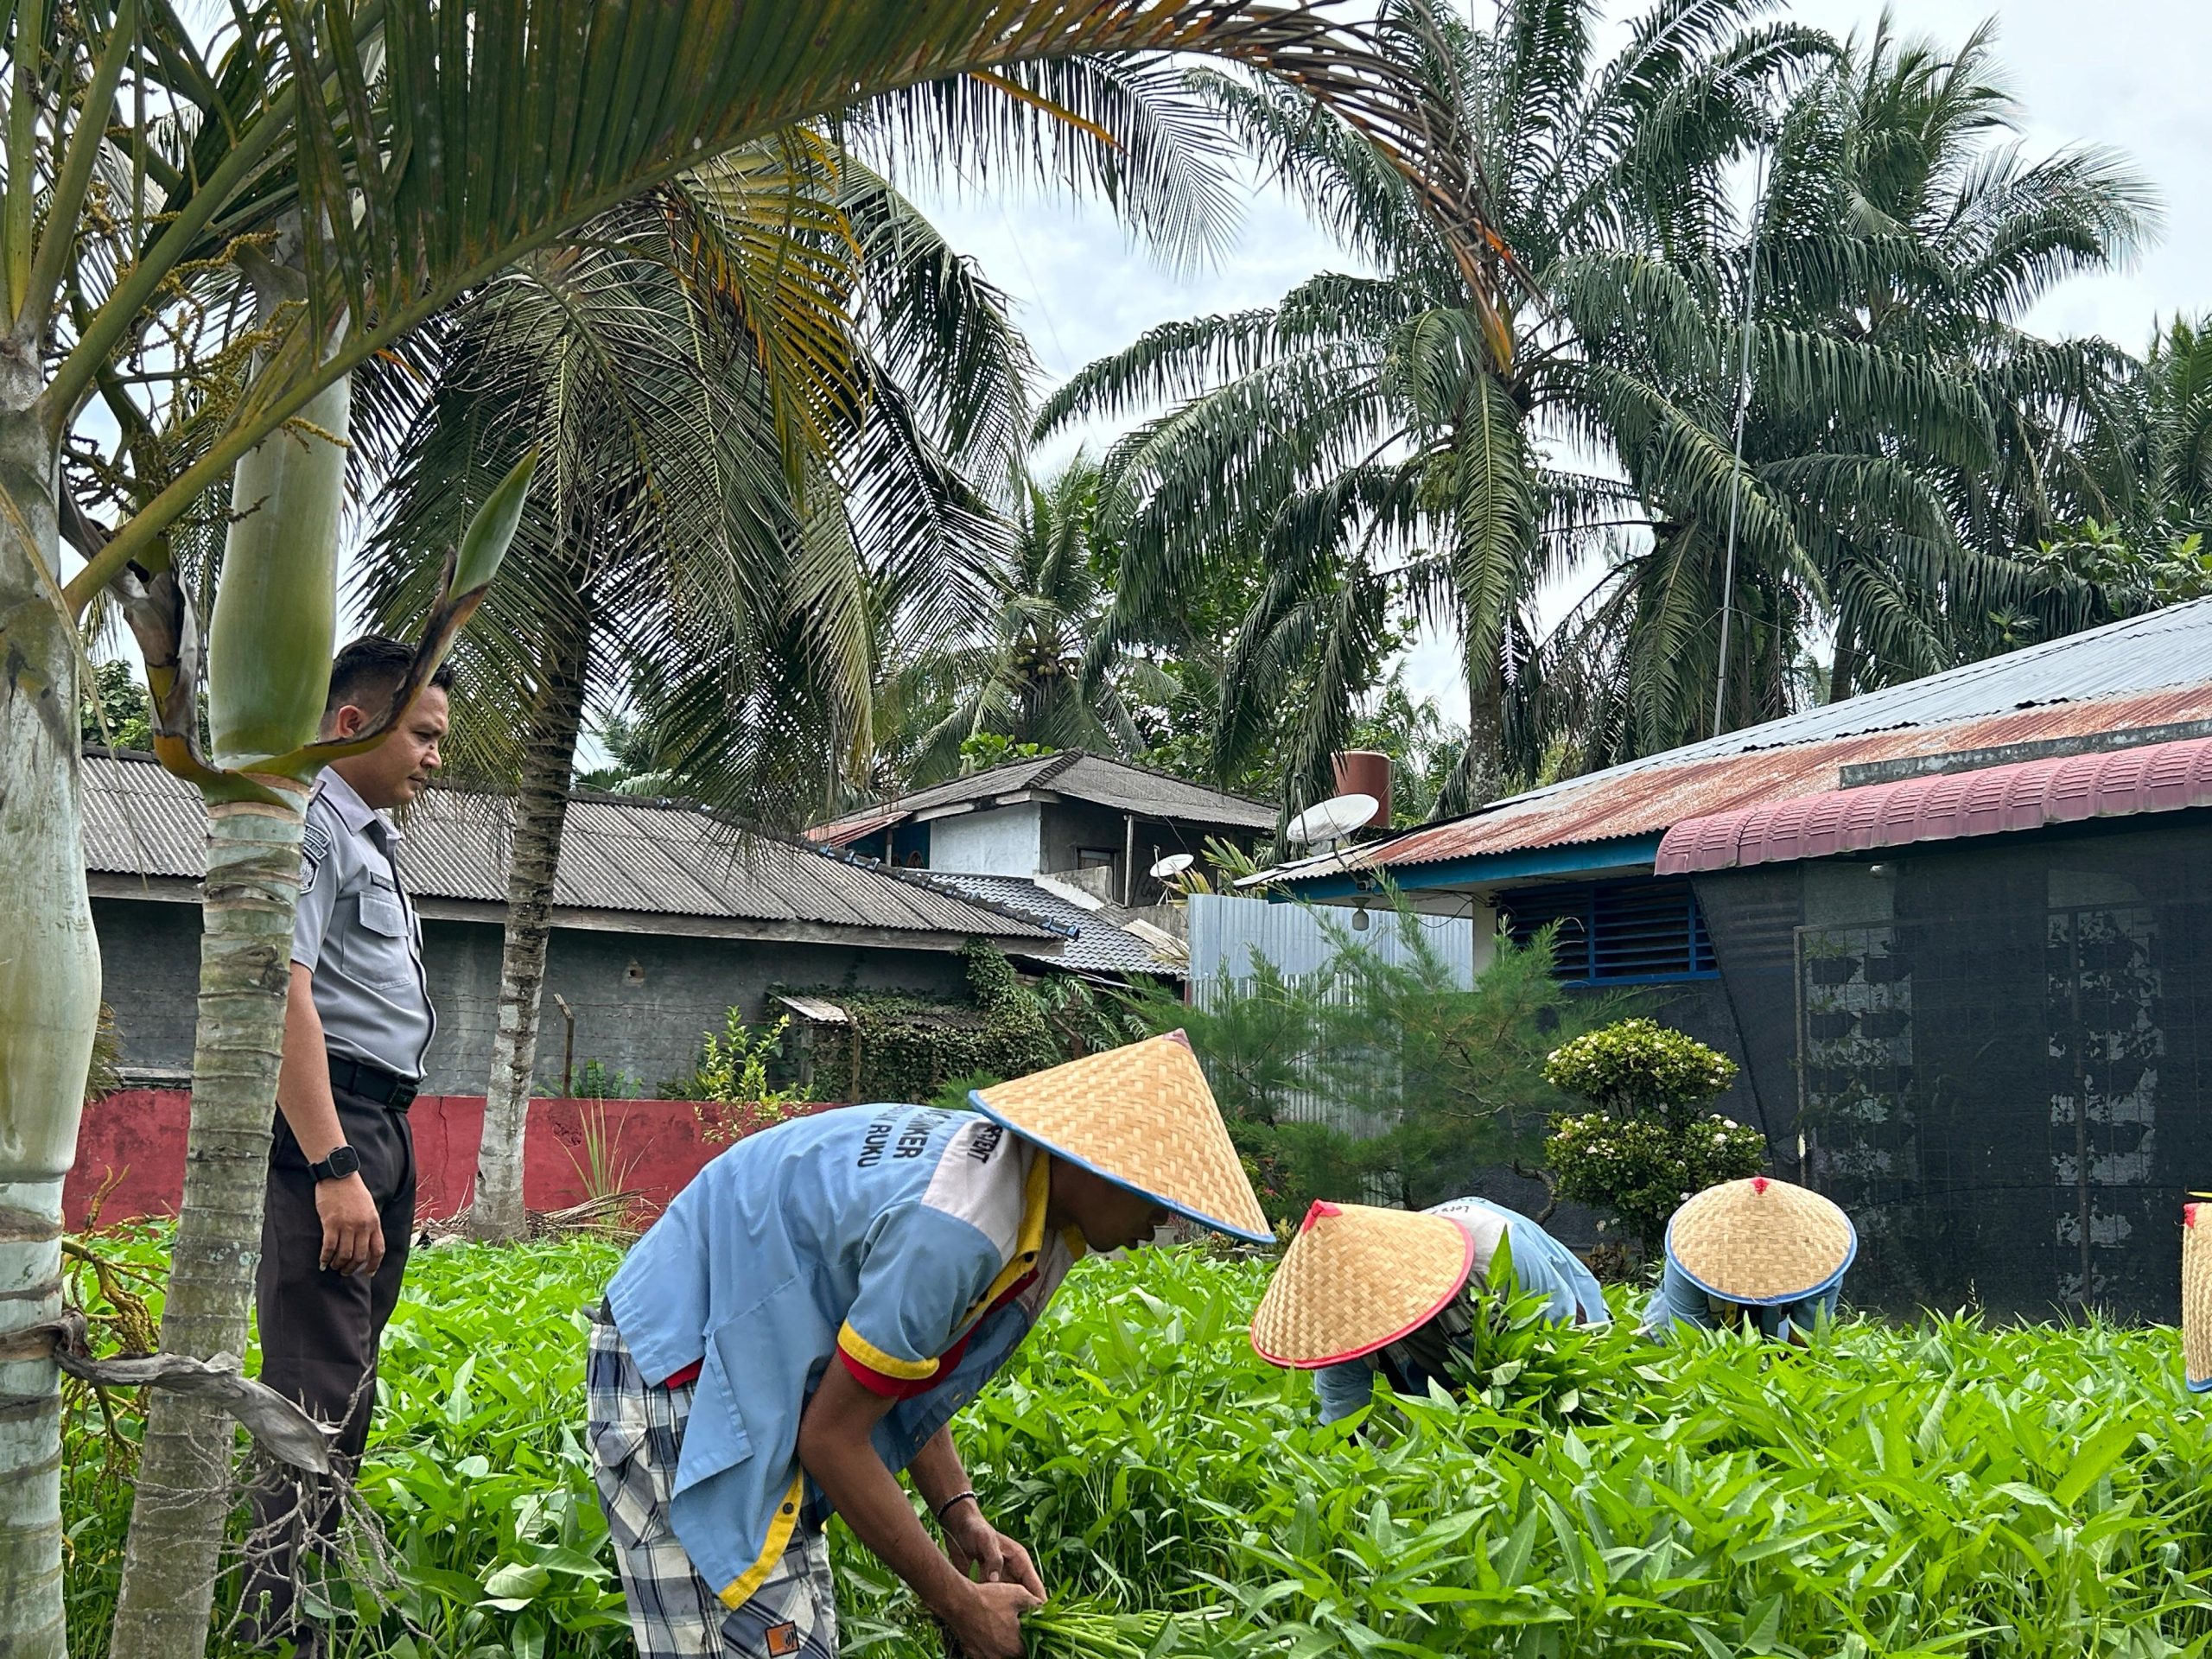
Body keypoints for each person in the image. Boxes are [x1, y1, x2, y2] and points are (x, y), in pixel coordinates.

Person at [586, 1030, 1270, 1659]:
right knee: (747, 1628)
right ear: (1092, 1162)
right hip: (682, 1366)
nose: (1165, 1218)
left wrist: (959, 1513)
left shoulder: (1039, 1215)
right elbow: (833, 1438)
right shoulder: (962, 1227)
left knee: (794, 1630)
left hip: (759, 1360)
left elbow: (897, 1372)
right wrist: (960, 1604)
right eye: (1157, 1193)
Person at [242, 637, 451, 1647]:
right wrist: (331, 1166)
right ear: (350, 724)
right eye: (422, 734)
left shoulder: (369, 837)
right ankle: (285, 1624)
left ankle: (308, 1601)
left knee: (347, 1385)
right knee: (314, 1391)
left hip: (382, 1123)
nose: (435, 756)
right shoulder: (313, 827)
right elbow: (282, 989)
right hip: (335, 1129)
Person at [1249, 1196, 1610, 1423]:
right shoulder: (1341, 1318)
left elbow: (1564, 1344)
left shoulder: (1497, 1253)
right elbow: (1343, 1414)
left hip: (1563, 1321)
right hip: (1445, 1372)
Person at [1641, 1175, 1855, 1344]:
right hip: (1667, 1332)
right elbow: (1689, 1340)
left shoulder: (1821, 1268)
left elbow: (1807, 1338)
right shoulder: (1687, 1266)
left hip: (1769, 1327)